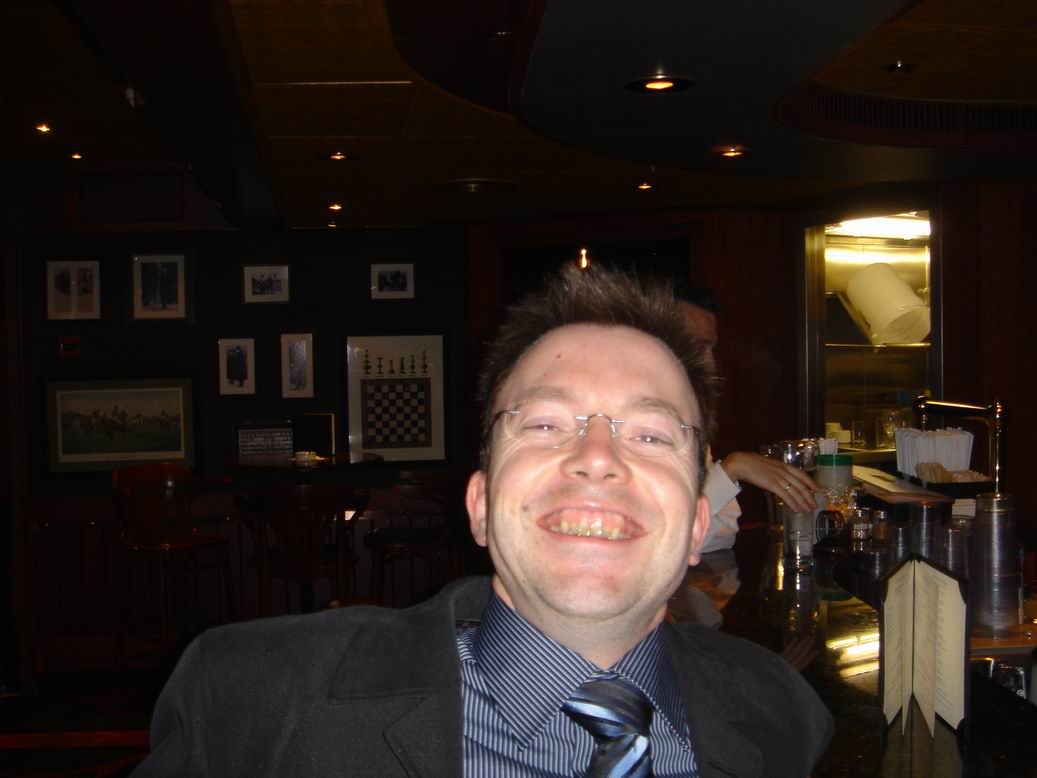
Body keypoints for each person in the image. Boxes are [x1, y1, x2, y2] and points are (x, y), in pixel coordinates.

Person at [136, 265, 832, 777]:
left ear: (697, 524)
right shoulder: (252, 701)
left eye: (650, 435)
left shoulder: (783, 713)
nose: (596, 458)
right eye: (545, 424)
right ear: (479, 506)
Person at [678, 298, 818, 553]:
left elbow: (721, 534)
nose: (711, 362)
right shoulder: (634, 428)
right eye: (699, 345)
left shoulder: (690, 415)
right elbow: (667, 541)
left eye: (711, 348)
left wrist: (727, 474)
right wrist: (732, 469)